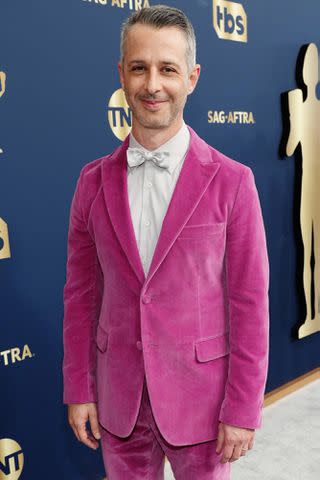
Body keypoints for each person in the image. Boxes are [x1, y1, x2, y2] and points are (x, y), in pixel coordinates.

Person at [62, 5, 270, 479]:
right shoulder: (90, 183)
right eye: (139, 67)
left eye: (168, 69)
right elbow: (81, 298)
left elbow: (250, 303)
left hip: (204, 404)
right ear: (122, 74)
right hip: (120, 403)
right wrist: (80, 387)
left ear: (192, 77)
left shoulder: (233, 182)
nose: (152, 84)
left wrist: (243, 407)